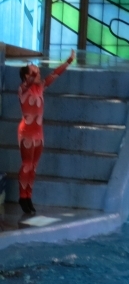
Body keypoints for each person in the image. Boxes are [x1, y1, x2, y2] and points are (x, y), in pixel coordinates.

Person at [18, 50, 75, 216]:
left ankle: (29, 196)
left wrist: (68, 61)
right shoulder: (23, 89)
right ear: (27, 76)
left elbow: (55, 74)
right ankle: (22, 197)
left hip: (38, 133)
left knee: (34, 167)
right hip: (27, 133)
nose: (38, 73)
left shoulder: (40, 87)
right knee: (27, 164)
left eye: (37, 71)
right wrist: (32, 73)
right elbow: (28, 82)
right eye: (34, 72)